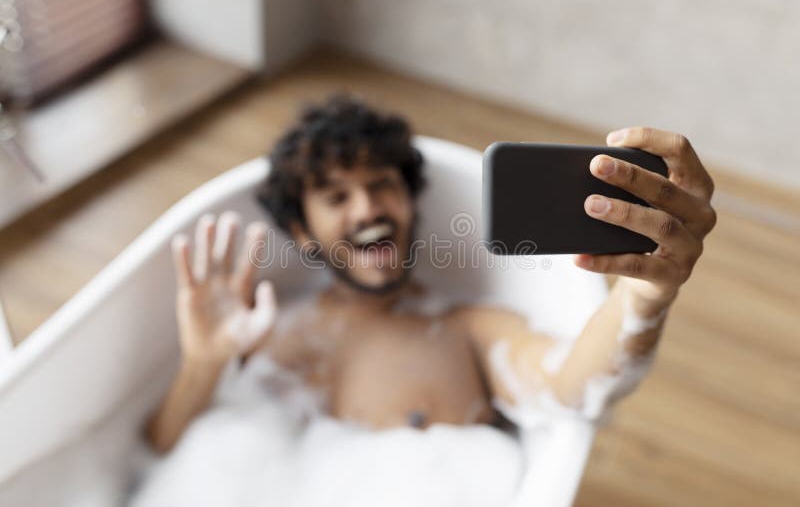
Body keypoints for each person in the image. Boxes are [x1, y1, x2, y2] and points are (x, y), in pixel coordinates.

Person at [145, 95, 717, 453]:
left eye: (382, 185)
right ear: (301, 232)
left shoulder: (468, 330)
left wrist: (645, 294)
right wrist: (204, 360)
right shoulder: (262, 334)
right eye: (336, 195)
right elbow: (162, 450)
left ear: (412, 204)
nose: (366, 209)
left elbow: (573, 386)